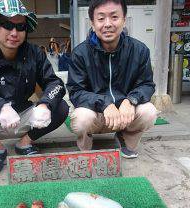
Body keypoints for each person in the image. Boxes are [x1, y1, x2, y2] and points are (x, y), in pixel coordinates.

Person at [0, 0, 69, 175]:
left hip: (22, 113)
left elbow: (55, 83)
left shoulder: (35, 53)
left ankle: (24, 143)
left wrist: (45, 104)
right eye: (7, 25)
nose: (14, 32)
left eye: (20, 26)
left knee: (60, 107)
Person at [67, 0, 157, 158]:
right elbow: (76, 92)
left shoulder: (140, 50)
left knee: (148, 111)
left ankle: (125, 138)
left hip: (125, 113)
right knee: (82, 118)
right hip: (97, 114)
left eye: (114, 17)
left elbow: (147, 84)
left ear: (124, 20)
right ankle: (86, 148)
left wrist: (131, 100)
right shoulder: (80, 53)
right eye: (101, 19)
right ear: (93, 24)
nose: (107, 24)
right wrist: (105, 103)